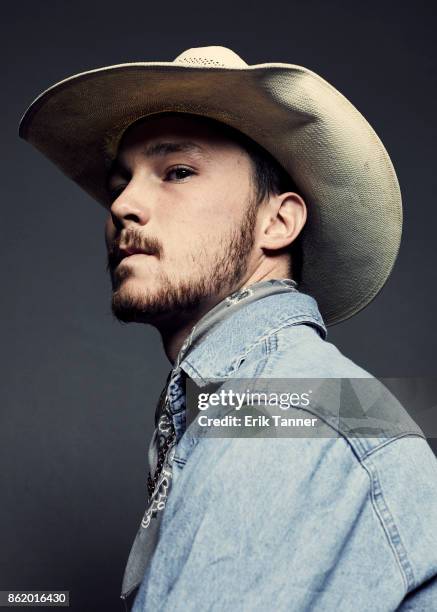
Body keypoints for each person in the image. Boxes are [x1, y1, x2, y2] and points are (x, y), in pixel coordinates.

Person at [19, 46, 437, 611]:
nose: (123, 204)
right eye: (122, 182)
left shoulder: (280, 413)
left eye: (178, 172)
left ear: (278, 221)